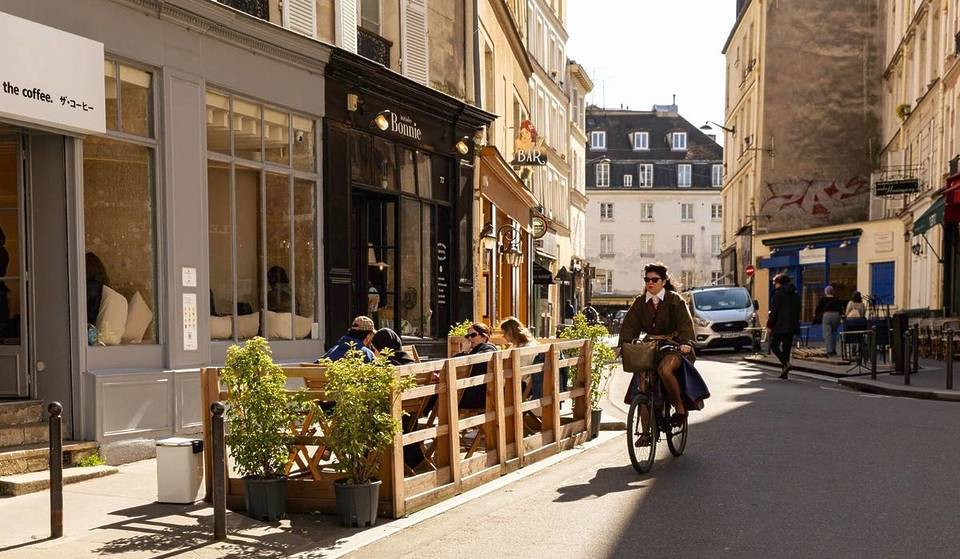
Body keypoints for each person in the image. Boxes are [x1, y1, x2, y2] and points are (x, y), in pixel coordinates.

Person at [617, 262, 696, 425]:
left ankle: (680, 409)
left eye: (654, 279)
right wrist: (623, 345)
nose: (650, 283)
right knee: (642, 383)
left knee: (665, 370)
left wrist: (686, 342)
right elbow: (629, 326)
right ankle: (646, 432)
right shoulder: (640, 302)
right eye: (647, 280)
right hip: (650, 347)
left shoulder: (675, 300)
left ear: (664, 281)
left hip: (673, 345)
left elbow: (685, 324)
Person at [457, 322, 499, 409]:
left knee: (439, 391)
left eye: (473, 335)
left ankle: (423, 412)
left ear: (484, 336)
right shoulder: (478, 350)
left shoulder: (488, 349)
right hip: (473, 392)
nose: (469, 338)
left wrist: (464, 353)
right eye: (467, 336)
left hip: (478, 396)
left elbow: (469, 363)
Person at [767, 273, 801, 379]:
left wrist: (769, 325)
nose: (774, 285)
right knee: (786, 348)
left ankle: (786, 364)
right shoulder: (795, 294)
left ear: (779, 283)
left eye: (775, 283)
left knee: (774, 345)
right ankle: (784, 372)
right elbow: (798, 310)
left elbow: (774, 311)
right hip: (792, 325)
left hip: (779, 325)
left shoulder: (778, 294)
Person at [814, 285, 845, 356]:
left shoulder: (823, 300)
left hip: (827, 316)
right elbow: (840, 309)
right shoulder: (837, 299)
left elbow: (818, 309)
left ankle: (830, 351)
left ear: (826, 292)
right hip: (836, 316)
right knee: (834, 332)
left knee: (827, 334)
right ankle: (834, 350)